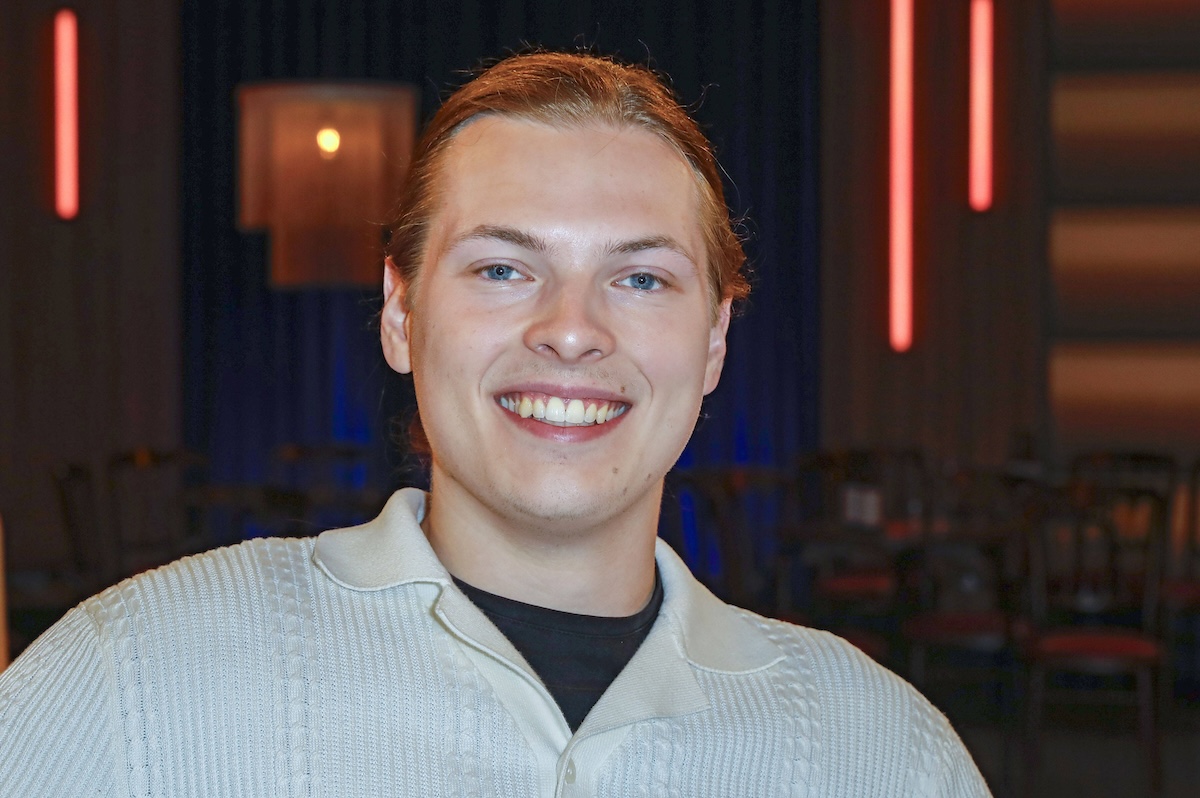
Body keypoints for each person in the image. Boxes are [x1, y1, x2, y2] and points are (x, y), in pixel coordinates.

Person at [0, 51, 991, 796]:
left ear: (716, 342)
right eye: (504, 269)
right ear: (400, 310)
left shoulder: (883, 754)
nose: (571, 330)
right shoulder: (130, 682)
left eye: (640, 277)